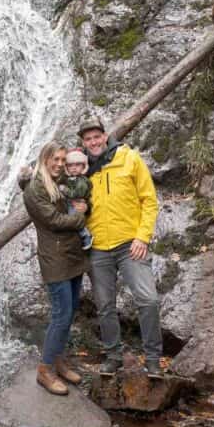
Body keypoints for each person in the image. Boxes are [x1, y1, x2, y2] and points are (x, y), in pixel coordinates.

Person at [78, 116, 163, 378]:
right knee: (104, 305)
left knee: (148, 300)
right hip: (99, 248)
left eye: (96, 136)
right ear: (83, 143)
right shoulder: (80, 169)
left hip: (130, 244)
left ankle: (152, 359)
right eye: (87, 139)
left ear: (105, 136)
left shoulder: (129, 158)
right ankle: (113, 355)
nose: (93, 142)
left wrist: (142, 237)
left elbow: (149, 200)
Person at [22, 141, 90, 395]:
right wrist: (80, 215)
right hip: (55, 258)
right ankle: (45, 369)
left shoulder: (57, 182)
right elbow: (54, 220)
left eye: (63, 160)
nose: (60, 164)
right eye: (56, 159)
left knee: (70, 311)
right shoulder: (35, 188)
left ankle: (59, 360)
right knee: (61, 314)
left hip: (71, 256)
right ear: (45, 158)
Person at [59, 148, 93, 251]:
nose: (74, 168)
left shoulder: (82, 181)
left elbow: (76, 194)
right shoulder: (71, 179)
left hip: (77, 203)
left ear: (83, 166)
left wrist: (65, 189)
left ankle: (86, 235)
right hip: (72, 203)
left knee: (75, 220)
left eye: (77, 165)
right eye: (70, 165)